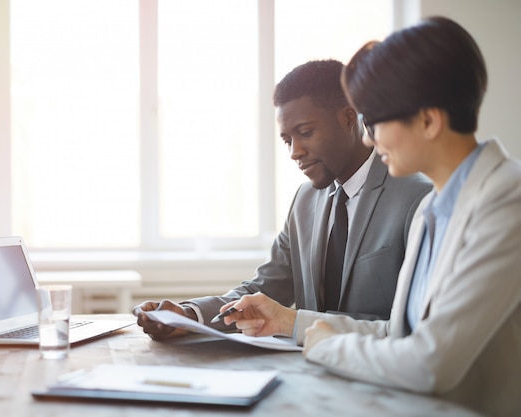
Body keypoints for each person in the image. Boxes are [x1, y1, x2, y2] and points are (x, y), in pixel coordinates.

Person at [221, 16, 521, 417]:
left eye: (375, 120)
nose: (367, 137)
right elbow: (398, 334)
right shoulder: (435, 207)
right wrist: (293, 322)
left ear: (429, 120)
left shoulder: (508, 200)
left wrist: (328, 345)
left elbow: (431, 362)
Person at [133, 59, 431, 339]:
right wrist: (188, 316)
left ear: (348, 118)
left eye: (305, 133)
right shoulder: (306, 199)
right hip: (308, 370)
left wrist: (293, 322)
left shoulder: (417, 197)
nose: (294, 152)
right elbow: (266, 288)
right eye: (287, 140)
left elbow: (412, 328)